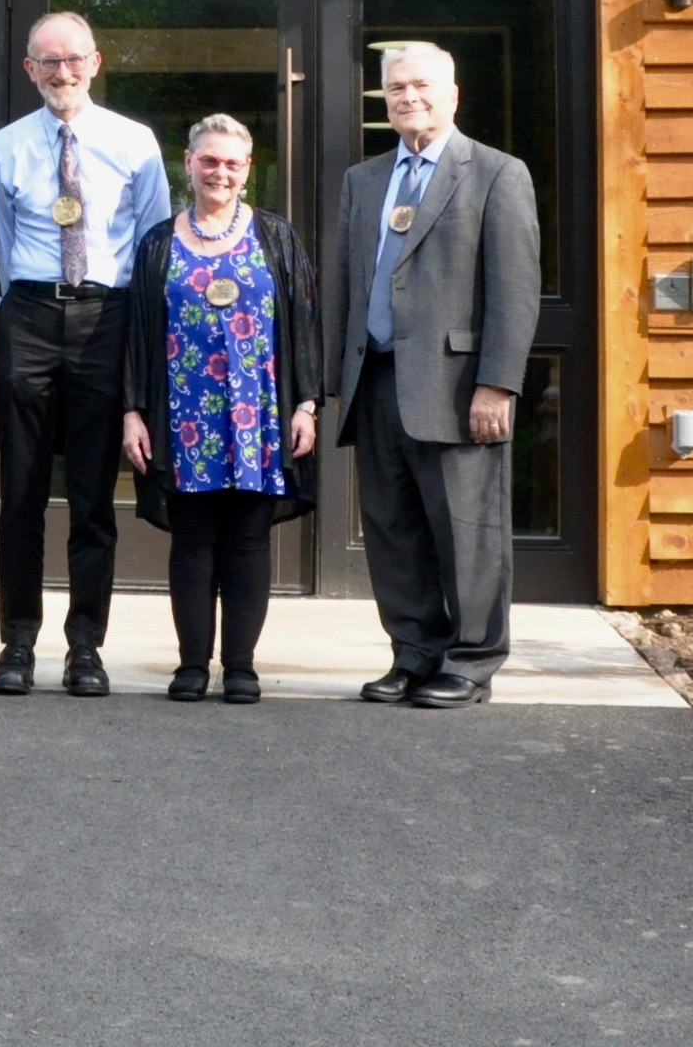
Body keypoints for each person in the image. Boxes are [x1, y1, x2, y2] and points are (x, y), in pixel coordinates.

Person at [327, 40, 539, 709]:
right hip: (378, 381)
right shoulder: (363, 180)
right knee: (393, 531)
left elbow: (515, 288)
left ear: (452, 95)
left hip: (457, 387)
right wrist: (332, 382)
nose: (407, 97)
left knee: (467, 534)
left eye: (421, 85)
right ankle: (413, 654)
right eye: (394, 88)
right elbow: (345, 284)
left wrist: (498, 383)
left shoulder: (497, 174)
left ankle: (472, 661)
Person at [0, 9, 170, 696]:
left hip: (106, 318)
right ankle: (18, 644)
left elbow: (154, 249)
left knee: (92, 498)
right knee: (22, 494)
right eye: (48, 61)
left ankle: (85, 647)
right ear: (31, 70)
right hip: (29, 314)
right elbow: (1, 250)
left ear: (95, 63)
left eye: (73, 59)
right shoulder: (5, 147)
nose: (62, 72)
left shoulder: (135, 142)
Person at [120, 114, 321, 704]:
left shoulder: (276, 237)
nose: (220, 173)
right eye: (209, 160)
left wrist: (305, 405)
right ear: (188, 163)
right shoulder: (158, 242)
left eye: (233, 163)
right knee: (192, 541)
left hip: (256, 415)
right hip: (183, 417)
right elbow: (135, 333)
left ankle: (240, 667)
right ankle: (189, 666)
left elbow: (304, 323)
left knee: (248, 542)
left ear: (248, 170)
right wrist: (133, 410)